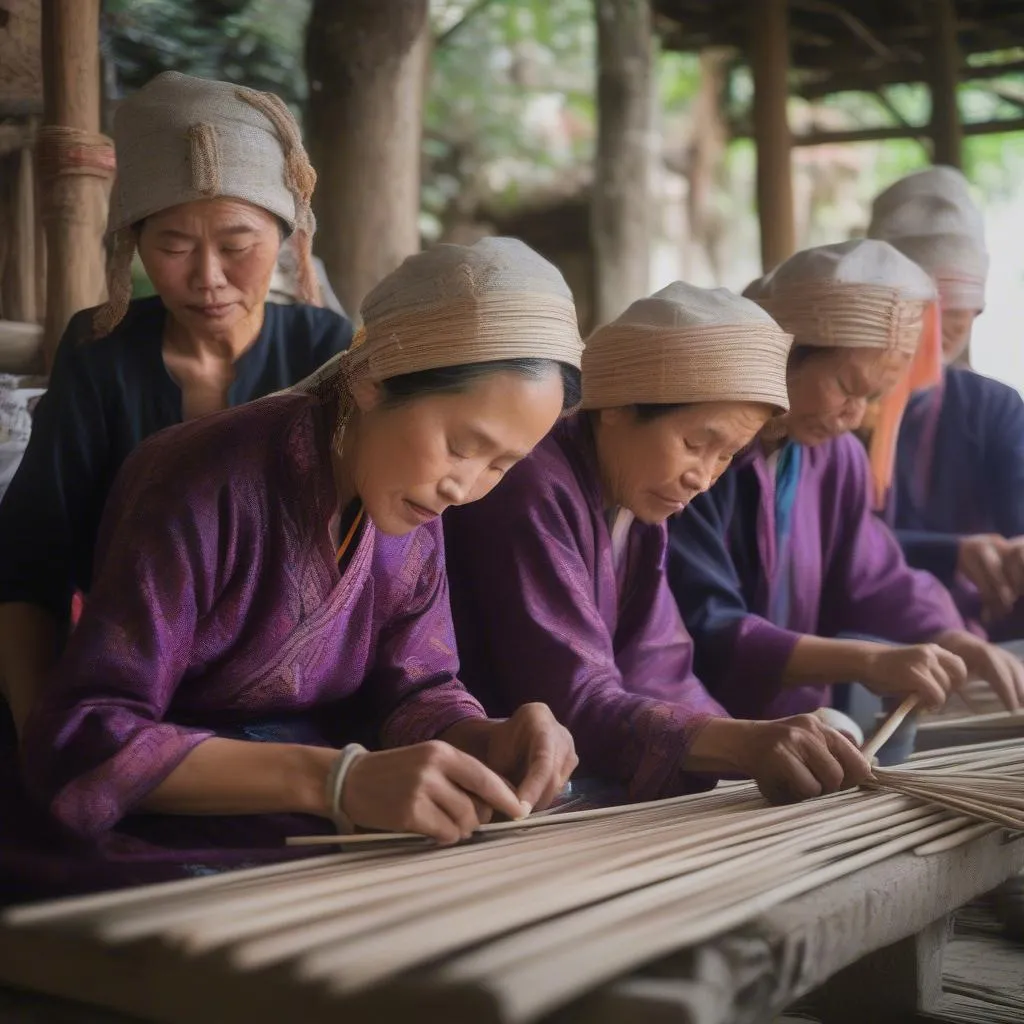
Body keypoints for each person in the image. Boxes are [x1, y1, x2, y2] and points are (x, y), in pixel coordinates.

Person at [4, 236, 582, 900]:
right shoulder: (199, 481)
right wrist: (334, 780)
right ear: (371, 380)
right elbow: (81, 739)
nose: (466, 486)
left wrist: (485, 737)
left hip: (317, 809)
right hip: (169, 821)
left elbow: (415, 688)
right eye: (461, 445)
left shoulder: (408, 503)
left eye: (501, 466)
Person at [0, 71, 354, 733]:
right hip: (120, 692)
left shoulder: (330, 352)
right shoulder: (99, 352)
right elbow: (30, 558)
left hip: (292, 704)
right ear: (135, 244)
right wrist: (39, 730)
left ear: (283, 237)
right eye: (173, 245)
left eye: (237, 245)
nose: (208, 278)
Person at [445, 281, 874, 807]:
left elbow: (660, 667)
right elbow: (570, 697)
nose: (704, 477)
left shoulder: (636, 497)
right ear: (617, 405)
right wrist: (742, 743)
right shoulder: (532, 484)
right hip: (487, 797)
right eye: (696, 444)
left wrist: (752, 739)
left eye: (725, 456)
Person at [667, 240, 1024, 730]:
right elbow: (709, 622)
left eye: (875, 396)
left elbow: (874, 575)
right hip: (699, 726)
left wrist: (951, 637)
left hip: (797, 727)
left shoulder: (836, 458)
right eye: (845, 387)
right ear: (785, 354)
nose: (856, 414)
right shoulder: (703, 460)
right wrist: (867, 662)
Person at [868, 166, 1024, 639]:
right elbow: (835, 551)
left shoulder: (994, 407)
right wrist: (951, 550)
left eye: (960, 318)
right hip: (861, 645)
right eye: (929, 319)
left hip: (989, 639)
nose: (942, 336)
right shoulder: (831, 413)